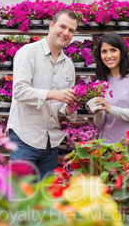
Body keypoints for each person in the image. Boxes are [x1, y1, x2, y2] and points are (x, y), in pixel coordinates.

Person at [7, 9, 78, 179]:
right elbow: (19, 91)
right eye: (62, 27)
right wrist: (54, 94)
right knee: (19, 195)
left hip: (50, 142)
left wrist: (68, 109)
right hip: (25, 139)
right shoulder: (28, 52)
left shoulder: (68, 65)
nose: (66, 33)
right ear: (51, 26)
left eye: (71, 30)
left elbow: (61, 105)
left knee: (46, 199)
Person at [92, 33, 129, 144]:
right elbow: (99, 124)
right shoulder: (100, 83)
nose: (108, 55)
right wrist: (98, 112)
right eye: (104, 51)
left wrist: (110, 109)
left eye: (113, 50)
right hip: (107, 146)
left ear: (121, 52)